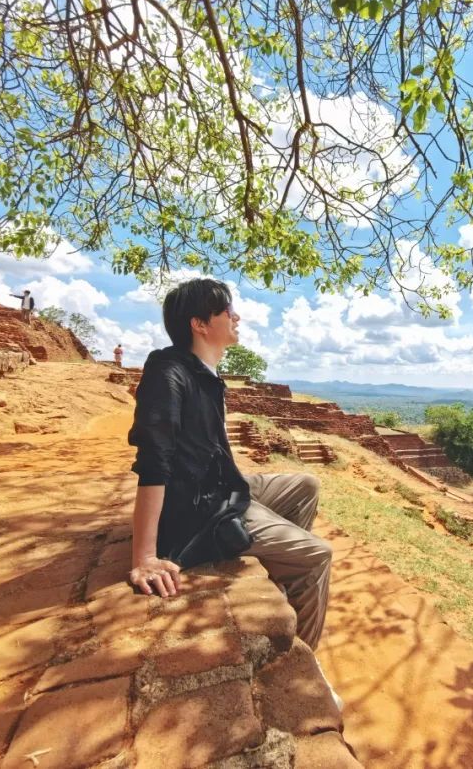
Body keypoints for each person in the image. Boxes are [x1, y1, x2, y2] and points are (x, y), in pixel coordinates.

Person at [127, 279, 334, 660]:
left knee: (305, 484)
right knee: (317, 555)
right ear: (200, 324)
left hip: (223, 487)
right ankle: (298, 660)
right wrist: (145, 557)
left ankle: (285, 579)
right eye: (226, 311)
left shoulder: (204, 373)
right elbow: (155, 461)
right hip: (200, 507)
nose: (236, 316)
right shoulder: (168, 371)